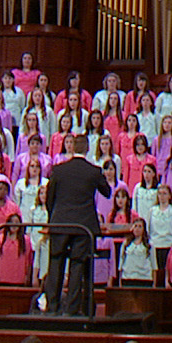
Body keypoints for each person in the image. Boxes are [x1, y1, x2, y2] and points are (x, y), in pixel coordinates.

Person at [42, 134, 114, 315]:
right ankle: (73, 309)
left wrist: (53, 219)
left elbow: (49, 198)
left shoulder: (59, 170)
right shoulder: (93, 171)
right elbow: (107, 192)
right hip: (83, 226)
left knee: (56, 262)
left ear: (72, 148)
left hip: (60, 223)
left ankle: (52, 307)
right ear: (88, 149)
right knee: (78, 264)